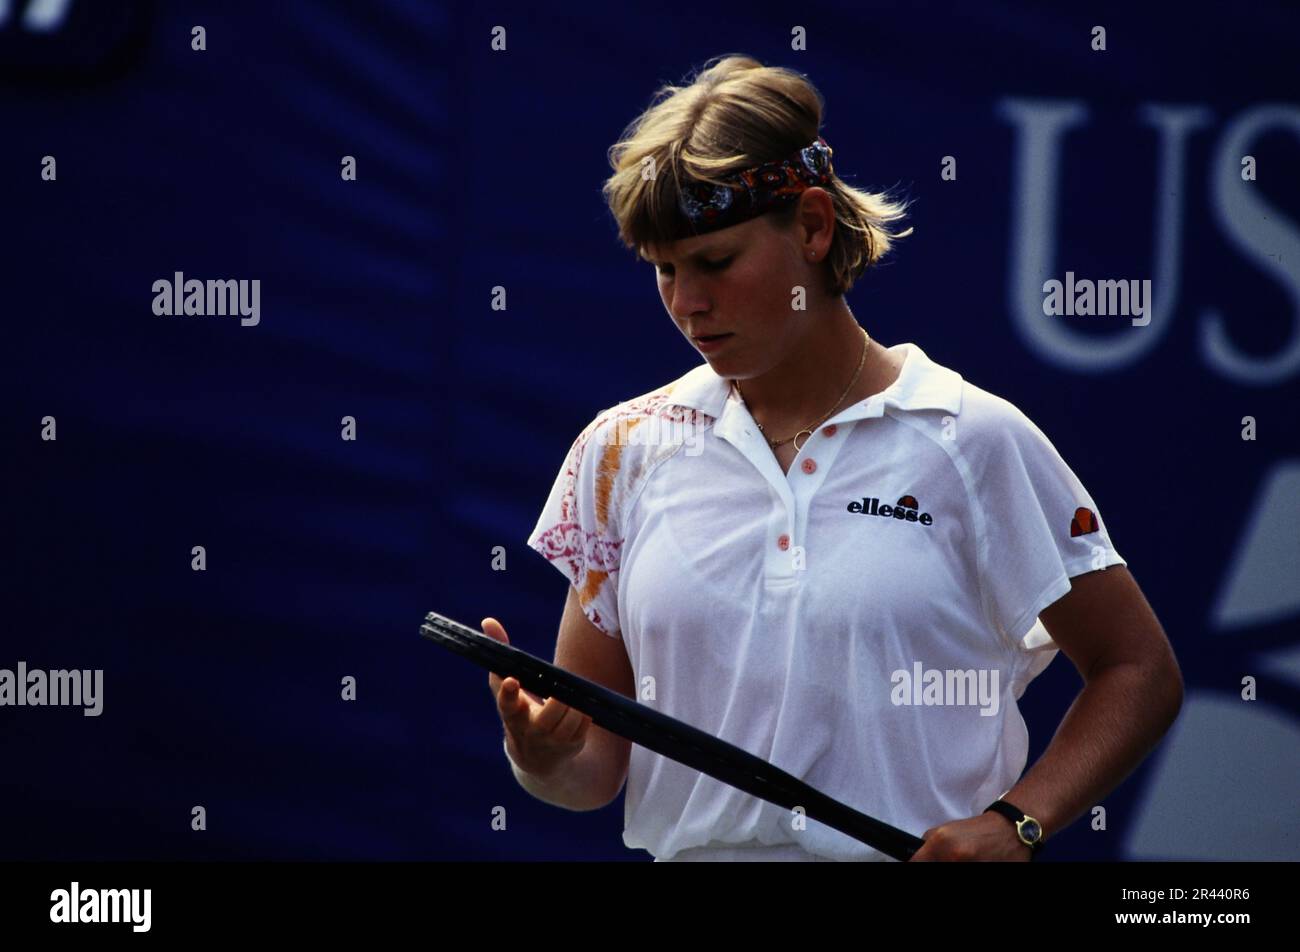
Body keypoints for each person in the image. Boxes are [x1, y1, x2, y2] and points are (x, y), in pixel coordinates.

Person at [484, 54, 1183, 862]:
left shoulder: (974, 438)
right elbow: (594, 773)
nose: (686, 303)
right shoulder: (621, 450)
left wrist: (1016, 823)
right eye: (664, 271)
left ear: (814, 226)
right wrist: (543, 755)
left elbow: (1138, 669)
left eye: (714, 262)